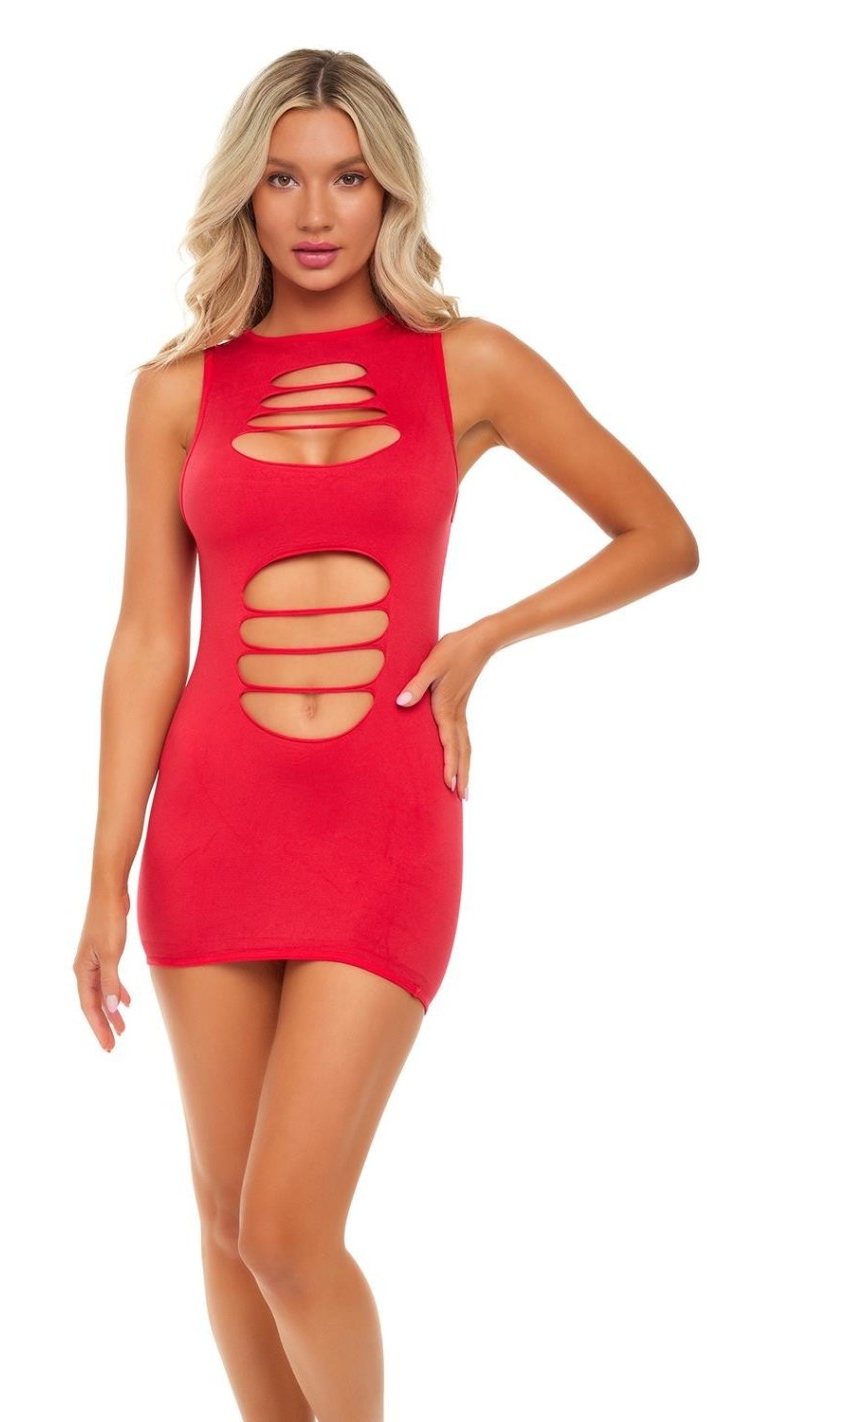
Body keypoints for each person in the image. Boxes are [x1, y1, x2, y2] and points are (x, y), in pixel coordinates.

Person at [73, 47, 698, 1422]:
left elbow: (660, 535)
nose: (315, 212)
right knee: (227, 1221)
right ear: (244, 196)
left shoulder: (465, 363)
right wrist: (104, 875)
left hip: (382, 819)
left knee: (288, 1225)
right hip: (211, 826)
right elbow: (146, 640)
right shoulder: (175, 391)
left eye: (349, 179)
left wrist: (483, 638)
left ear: (391, 193)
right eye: (284, 179)